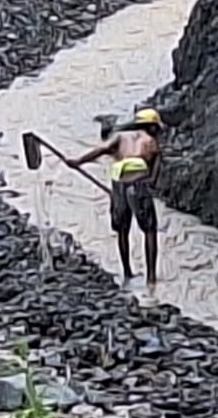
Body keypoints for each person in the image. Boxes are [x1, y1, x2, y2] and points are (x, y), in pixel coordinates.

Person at [68, 108, 163, 285]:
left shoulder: (120, 137)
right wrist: (148, 185)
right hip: (139, 186)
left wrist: (78, 161)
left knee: (122, 230)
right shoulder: (151, 143)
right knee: (149, 230)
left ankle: (127, 273)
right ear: (151, 127)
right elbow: (154, 175)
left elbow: (101, 150)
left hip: (119, 186)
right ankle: (151, 278)